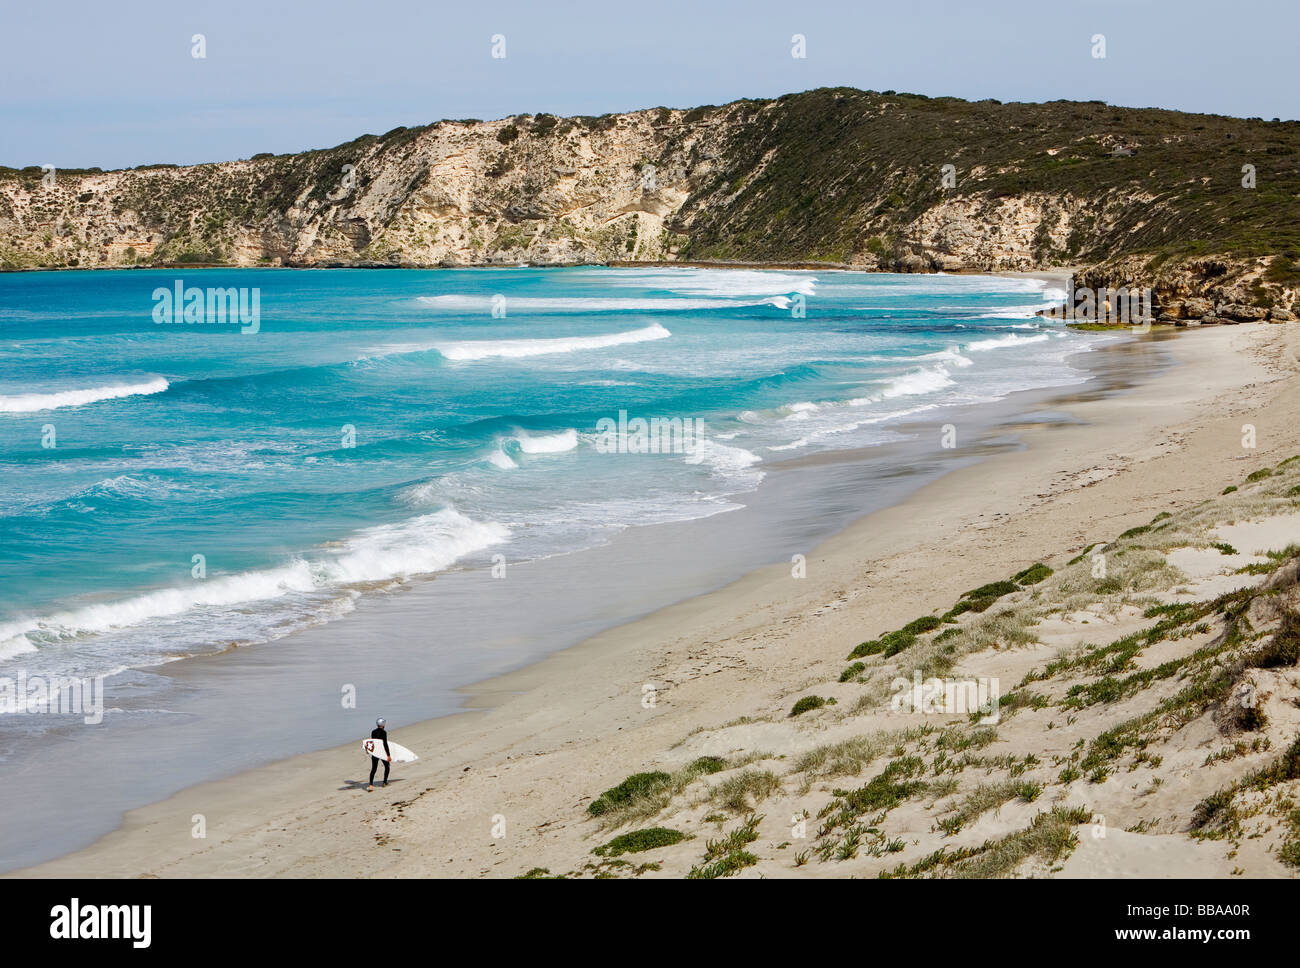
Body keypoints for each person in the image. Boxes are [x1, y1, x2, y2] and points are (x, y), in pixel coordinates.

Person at [367, 716, 391, 792]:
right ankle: (384, 782)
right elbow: (385, 744)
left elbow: (372, 743)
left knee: (373, 769)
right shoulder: (384, 732)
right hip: (382, 752)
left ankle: (371, 785)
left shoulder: (373, 732)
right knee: (387, 766)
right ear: (383, 724)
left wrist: (369, 750)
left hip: (375, 753)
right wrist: (388, 755)